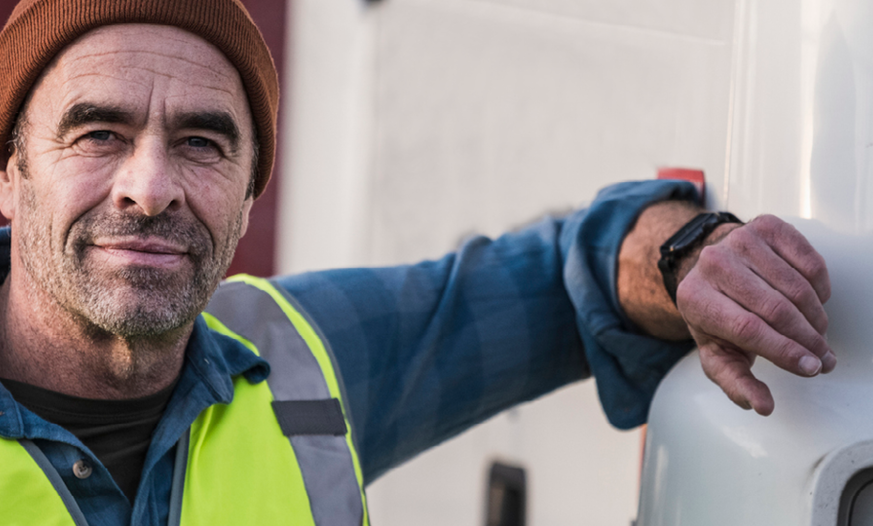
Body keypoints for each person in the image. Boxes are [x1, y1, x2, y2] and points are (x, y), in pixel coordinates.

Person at [0, 0, 833, 524]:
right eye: (97, 133)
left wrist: (690, 257)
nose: (151, 188)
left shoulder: (301, 363)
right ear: (10, 173)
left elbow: (561, 274)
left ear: (249, 191)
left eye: (202, 143)